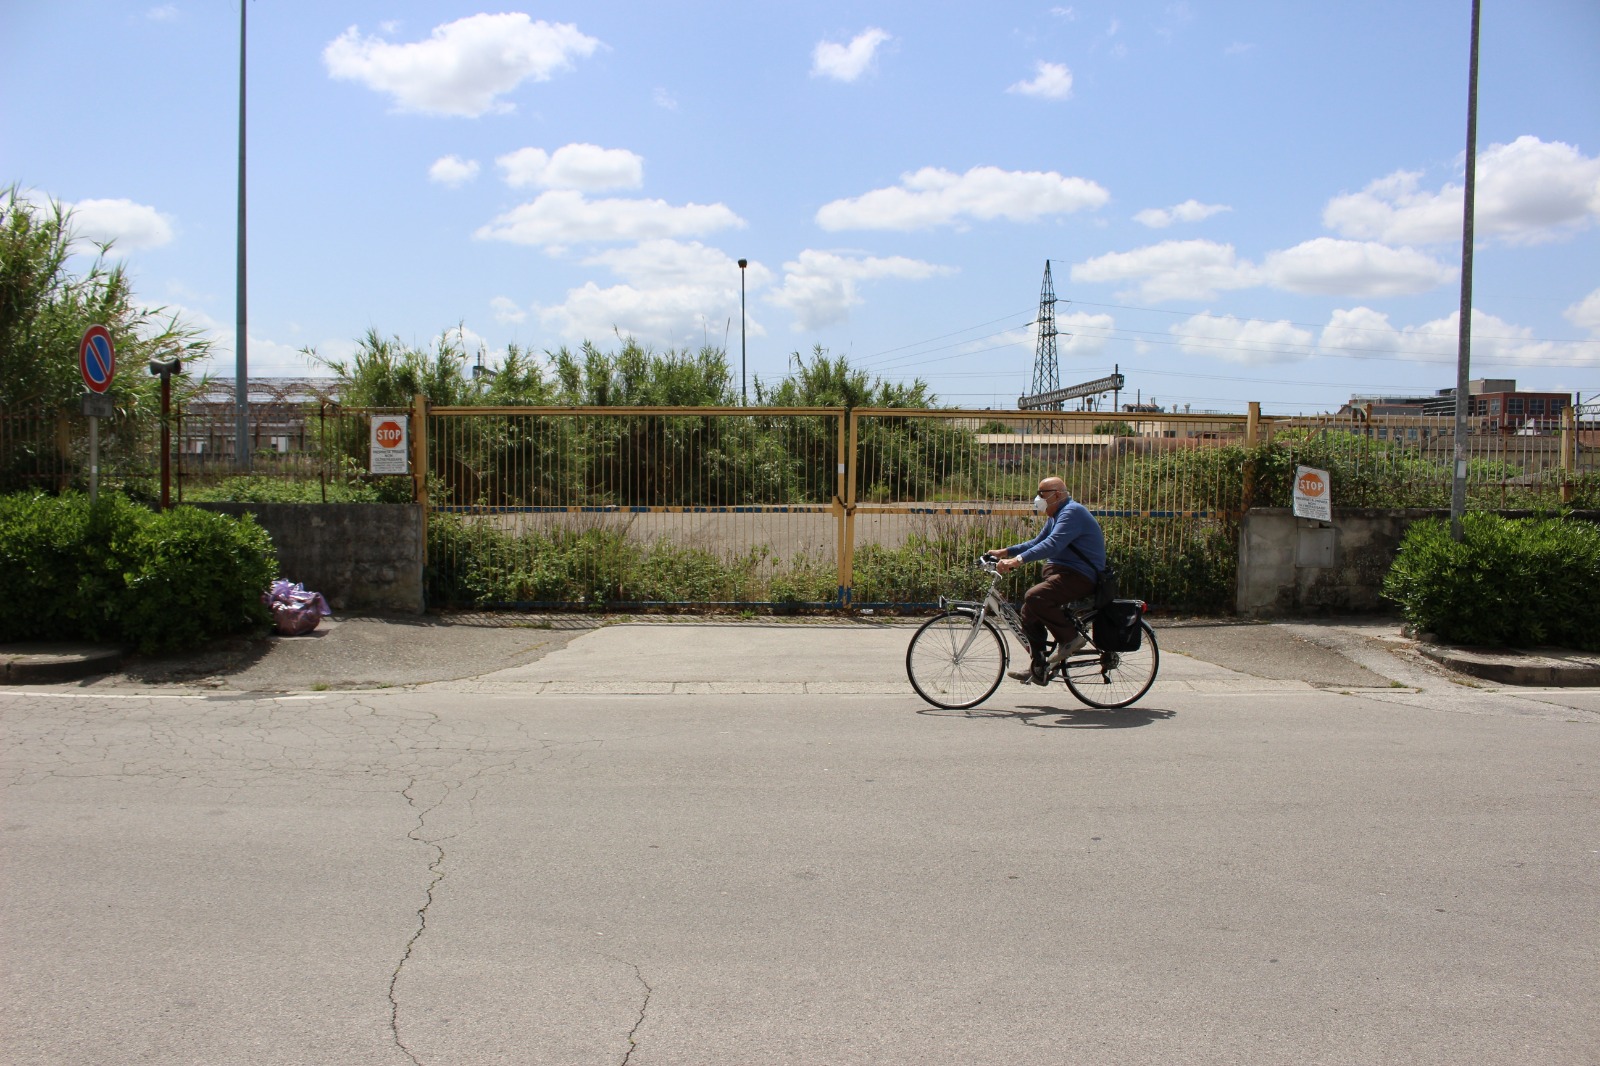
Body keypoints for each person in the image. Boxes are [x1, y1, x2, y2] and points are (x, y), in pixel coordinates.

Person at [988, 476, 1107, 684]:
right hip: (1065, 575)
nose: (1038, 499)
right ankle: (1039, 668)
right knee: (1028, 612)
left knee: (1035, 597)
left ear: (1057, 495)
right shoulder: (1056, 515)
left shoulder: (1072, 513)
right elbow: (1038, 541)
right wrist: (1005, 551)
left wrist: (1016, 561)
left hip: (1081, 576)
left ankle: (1070, 638)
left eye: (1042, 494)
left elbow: (1052, 544)